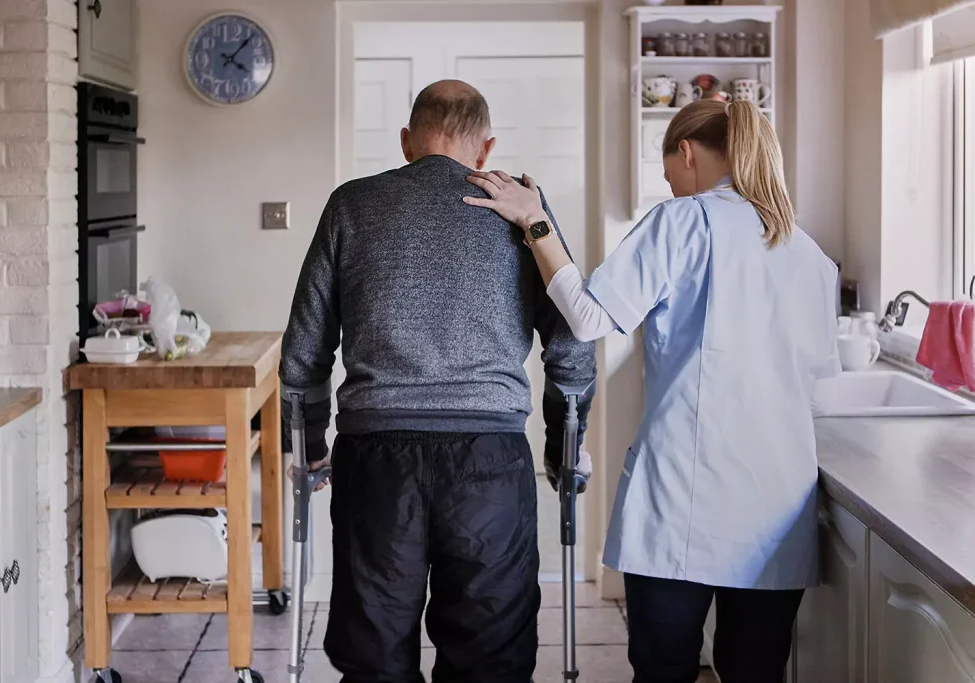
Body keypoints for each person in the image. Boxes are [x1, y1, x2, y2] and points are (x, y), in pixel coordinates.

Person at [464, 99, 840, 683]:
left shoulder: (681, 221)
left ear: (686, 153)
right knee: (757, 672)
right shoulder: (811, 255)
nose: (673, 188)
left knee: (663, 671)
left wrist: (534, 221)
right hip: (777, 507)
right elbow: (823, 391)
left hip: (685, 499)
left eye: (670, 175)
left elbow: (588, 318)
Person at [279, 79, 597, 683]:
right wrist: (564, 448)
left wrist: (311, 445)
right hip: (490, 460)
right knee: (490, 656)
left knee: (374, 656)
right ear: (485, 149)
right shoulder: (524, 213)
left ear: (406, 142)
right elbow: (571, 339)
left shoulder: (351, 204)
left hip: (376, 459)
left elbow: (304, 349)